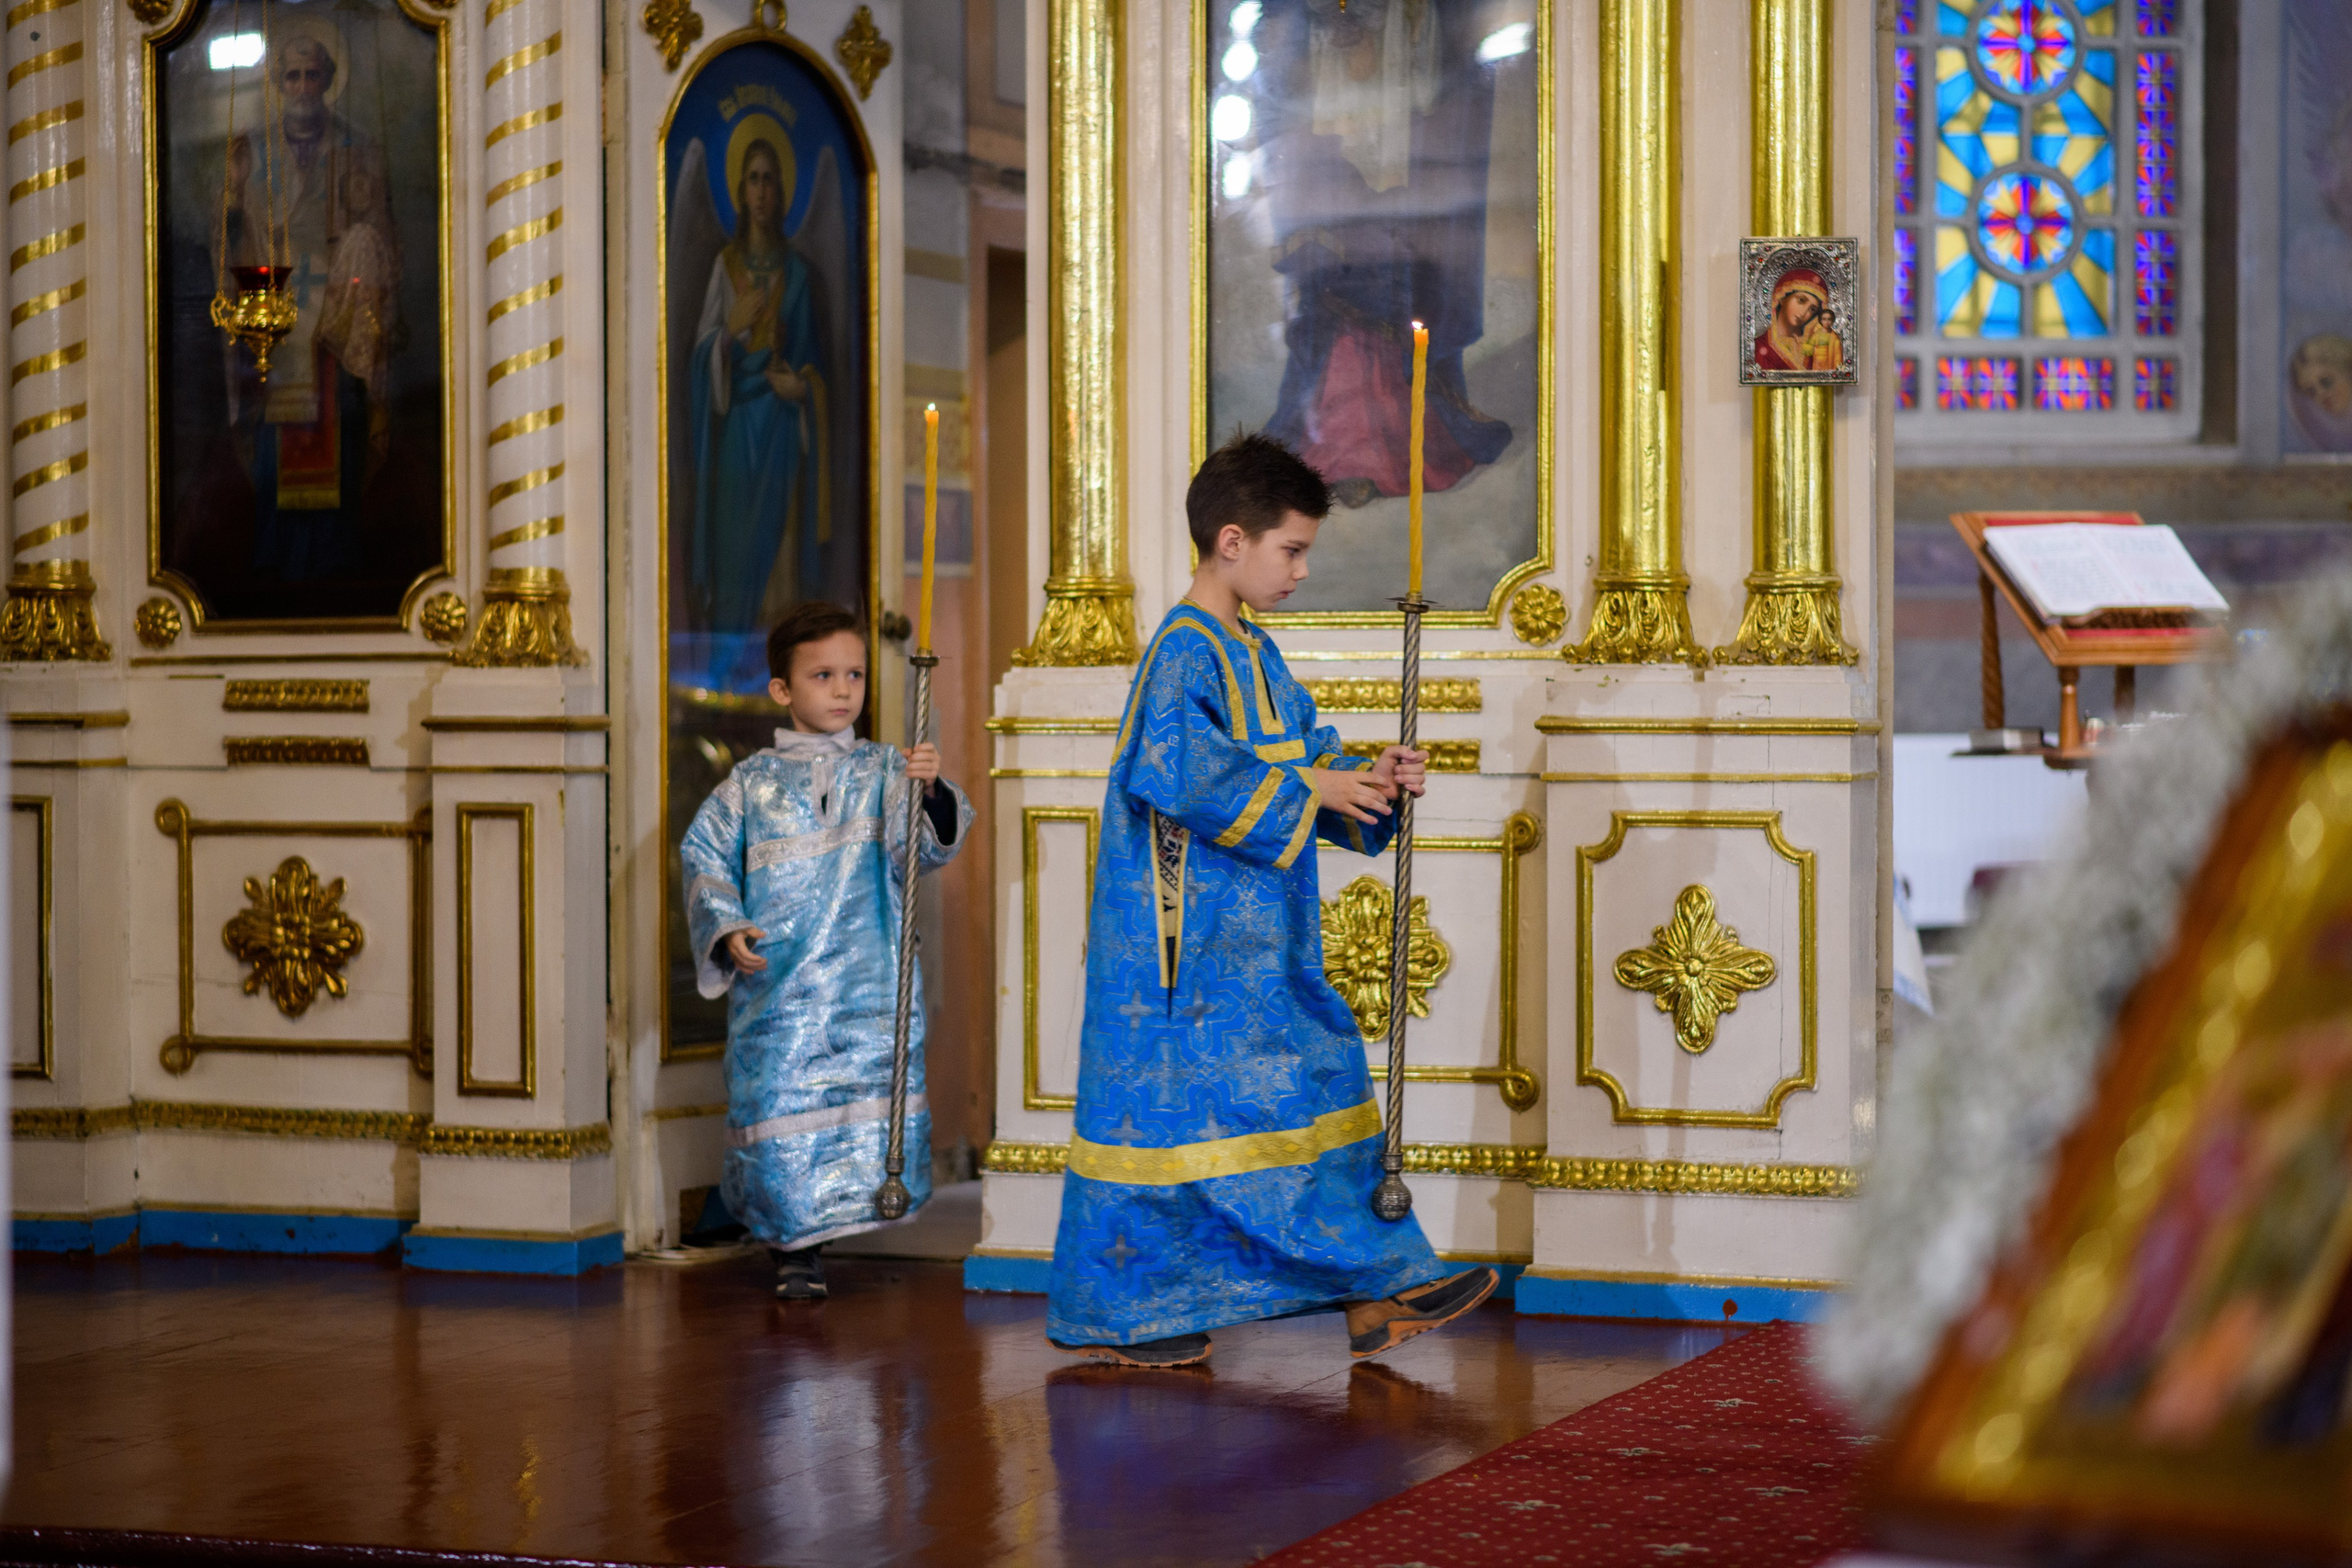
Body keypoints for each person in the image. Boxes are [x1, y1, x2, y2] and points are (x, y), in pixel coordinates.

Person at [1044, 433, 1499, 1368]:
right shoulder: (1183, 651)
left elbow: (1302, 753)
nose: (1301, 570)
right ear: (1231, 541)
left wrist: (1366, 778)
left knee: (1314, 1087)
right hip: (1185, 954)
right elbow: (1179, 772)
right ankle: (1138, 1313)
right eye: (1291, 550)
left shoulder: (1253, 648)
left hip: (1261, 945)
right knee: (1178, 1131)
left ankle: (1377, 1290)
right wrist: (1315, 787)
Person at [678, 601, 971, 1300]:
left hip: (867, 982)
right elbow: (704, 855)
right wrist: (727, 925)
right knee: (779, 1104)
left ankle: (840, 1226)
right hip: (780, 986)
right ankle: (793, 1247)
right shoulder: (749, 783)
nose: (843, 690)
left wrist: (931, 791)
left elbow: (923, 850)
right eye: (823, 676)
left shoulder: (885, 769)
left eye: (855, 675)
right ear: (782, 689)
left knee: (863, 1104)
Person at [686, 133, 828, 670]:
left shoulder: (798, 275)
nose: (762, 190)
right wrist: (730, 332)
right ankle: (729, 677)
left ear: (782, 190)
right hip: (736, 436)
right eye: (753, 179)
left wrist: (804, 389)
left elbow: (814, 367)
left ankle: (780, 680)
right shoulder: (725, 268)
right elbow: (701, 359)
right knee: (735, 558)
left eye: (770, 179)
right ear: (740, 191)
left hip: (782, 436)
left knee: (780, 564)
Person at [1752, 266, 1843, 373]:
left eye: (1812, 309)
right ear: (1782, 297)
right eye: (1801, 300)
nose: (1804, 313)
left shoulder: (1817, 349)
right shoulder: (1759, 347)